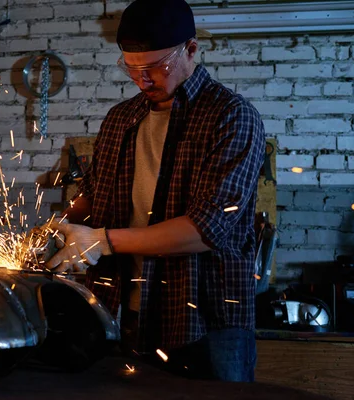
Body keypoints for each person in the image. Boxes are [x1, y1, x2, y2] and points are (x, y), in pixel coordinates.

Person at [43, 0, 265, 383]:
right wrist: (58, 227)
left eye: (155, 69)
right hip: (120, 311)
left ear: (191, 50)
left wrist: (101, 241)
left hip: (203, 321)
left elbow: (206, 229)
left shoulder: (231, 117)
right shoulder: (121, 118)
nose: (143, 81)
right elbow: (95, 196)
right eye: (132, 69)